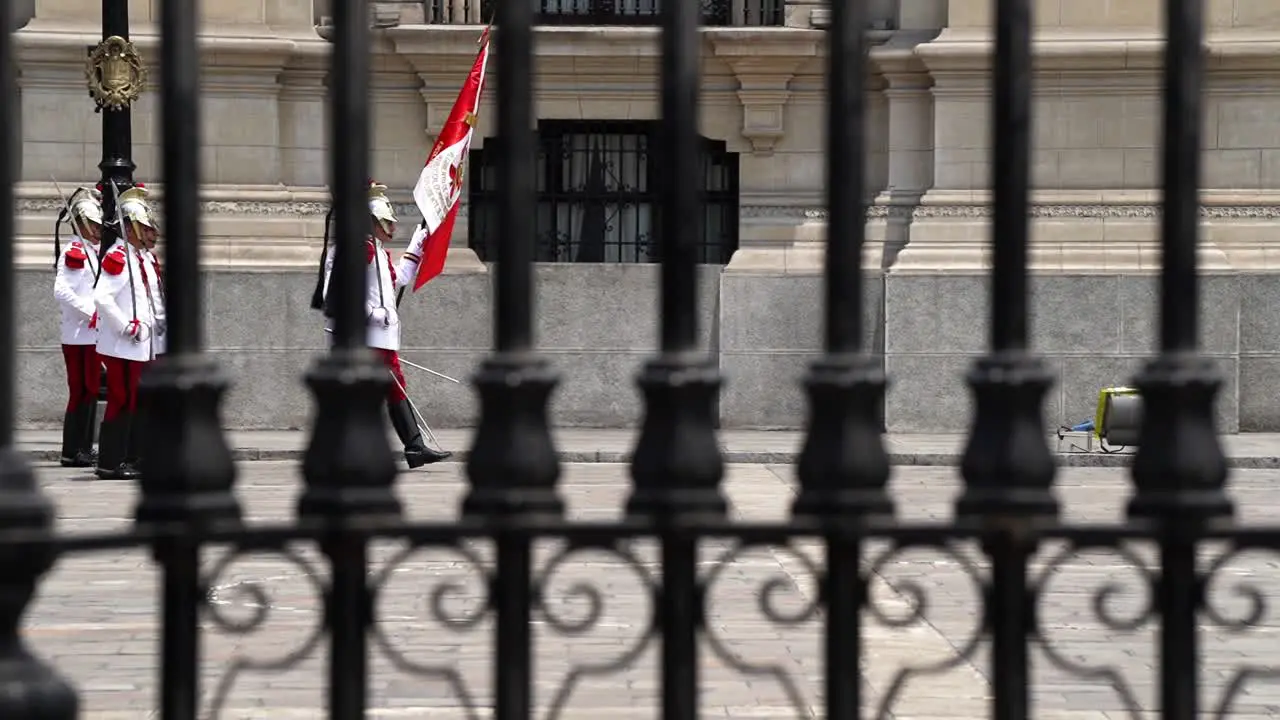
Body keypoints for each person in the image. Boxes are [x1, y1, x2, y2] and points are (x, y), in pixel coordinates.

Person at [312, 181, 451, 468]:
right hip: (364, 336)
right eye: (387, 221)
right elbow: (335, 292)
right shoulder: (358, 251)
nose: (392, 226)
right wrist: (370, 312)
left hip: (379, 337)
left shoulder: (375, 251)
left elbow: (397, 279)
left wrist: (418, 242)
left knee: (386, 387)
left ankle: (412, 447)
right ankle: (405, 446)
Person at [93, 185, 166, 480]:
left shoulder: (143, 259)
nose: (153, 233)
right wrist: (125, 325)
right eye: (148, 228)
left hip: (144, 344)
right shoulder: (119, 258)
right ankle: (110, 461)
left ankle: (134, 456)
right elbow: (102, 296)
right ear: (133, 228)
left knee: (138, 400)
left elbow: (153, 299)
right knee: (121, 400)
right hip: (124, 344)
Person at [53, 186, 105, 468]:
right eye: (93, 225)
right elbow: (62, 290)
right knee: (80, 391)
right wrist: (90, 312)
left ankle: (84, 447)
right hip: (77, 334)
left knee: (91, 390)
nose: (97, 230)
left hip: (92, 334)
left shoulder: (93, 252)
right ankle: (72, 450)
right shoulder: (74, 252)